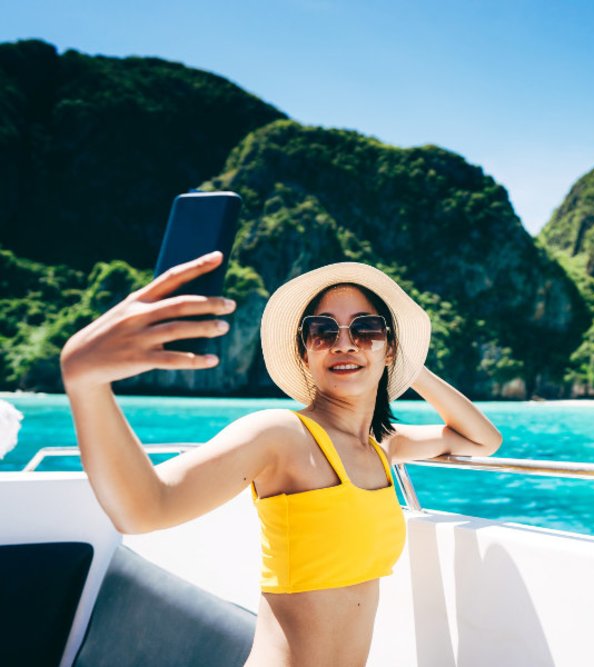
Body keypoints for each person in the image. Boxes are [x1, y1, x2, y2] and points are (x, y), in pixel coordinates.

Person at [59, 250, 503, 666]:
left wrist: (411, 364)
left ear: (388, 348)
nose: (344, 343)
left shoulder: (383, 444)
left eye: (365, 329)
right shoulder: (280, 434)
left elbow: (481, 440)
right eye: (322, 331)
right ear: (305, 354)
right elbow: (145, 508)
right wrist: (87, 383)